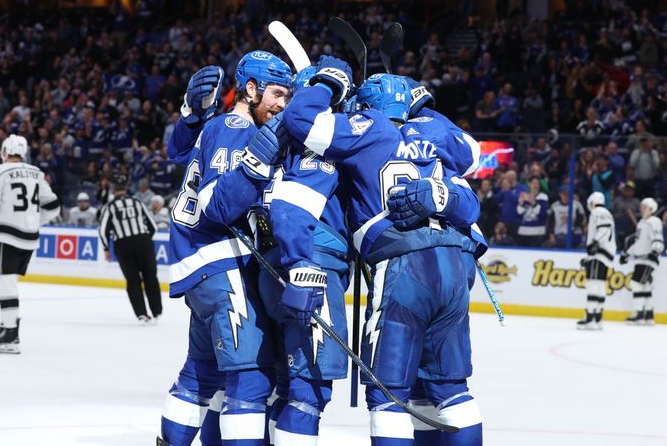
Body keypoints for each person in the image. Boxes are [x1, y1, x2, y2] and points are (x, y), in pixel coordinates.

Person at [283, 60, 484, 445]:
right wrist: (422, 105)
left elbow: (302, 120)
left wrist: (328, 81)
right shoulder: (437, 130)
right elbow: (473, 154)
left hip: (404, 267)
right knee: (449, 387)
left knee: (389, 392)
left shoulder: (367, 128)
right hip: (457, 264)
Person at [159, 54, 292, 446]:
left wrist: (189, 116)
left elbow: (177, 151)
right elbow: (216, 202)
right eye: (277, 94)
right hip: (223, 264)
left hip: (203, 267)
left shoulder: (219, 126)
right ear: (250, 89)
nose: (282, 104)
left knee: (200, 374)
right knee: (250, 377)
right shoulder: (237, 128)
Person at [0, 135, 60, 354]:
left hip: (8, 237)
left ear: (5, 151)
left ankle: (10, 334)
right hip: (30, 238)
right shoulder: (36, 172)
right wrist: (33, 221)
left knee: (5, 284)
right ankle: (9, 326)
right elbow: (53, 207)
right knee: (9, 282)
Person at [97, 173, 161, 324]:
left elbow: (102, 229)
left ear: (113, 189)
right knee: (150, 277)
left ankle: (142, 314)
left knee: (133, 280)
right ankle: (156, 312)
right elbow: (153, 226)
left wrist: (106, 248)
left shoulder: (110, 207)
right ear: (126, 188)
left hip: (123, 245)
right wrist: (144, 240)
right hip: (143, 241)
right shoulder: (137, 202)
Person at [621, 197, 664, 325]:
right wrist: (627, 254)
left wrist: (655, 251)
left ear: (651, 209)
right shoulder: (641, 223)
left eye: (644, 206)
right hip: (640, 259)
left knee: (636, 283)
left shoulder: (654, 221)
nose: (641, 208)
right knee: (645, 286)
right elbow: (638, 242)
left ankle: (639, 313)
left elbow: (657, 238)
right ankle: (648, 314)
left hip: (647, 259)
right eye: (641, 206)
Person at [577, 192, 616, 331]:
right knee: (599, 285)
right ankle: (598, 317)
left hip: (598, 253)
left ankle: (590, 318)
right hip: (606, 255)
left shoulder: (597, 212)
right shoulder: (608, 213)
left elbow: (603, 229)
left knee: (592, 284)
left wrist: (594, 243)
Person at [516, 176, 549, 247]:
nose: (536, 185)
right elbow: (519, 213)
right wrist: (521, 204)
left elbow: (542, 214)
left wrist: (533, 203)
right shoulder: (524, 196)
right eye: (534, 183)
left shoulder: (543, 197)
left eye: (537, 183)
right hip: (523, 231)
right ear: (529, 184)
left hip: (537, 232)